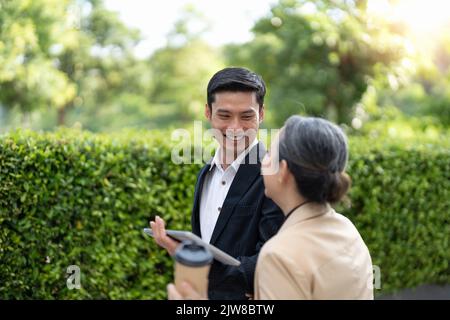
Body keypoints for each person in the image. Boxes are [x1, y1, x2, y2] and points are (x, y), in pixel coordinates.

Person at [167, 115, 374, 300]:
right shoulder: (347, 229)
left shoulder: (279, 256)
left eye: (268, 155)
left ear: (282, 171)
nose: (261, 161)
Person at [150, 67, 285, 300]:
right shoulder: (205, 174)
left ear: (261, 114)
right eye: (224, 116)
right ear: (208, 113)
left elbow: (268, 262)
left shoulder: (274, 176)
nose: (235, 128)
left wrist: (200, 263)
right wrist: (183, 252)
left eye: (247, 116)